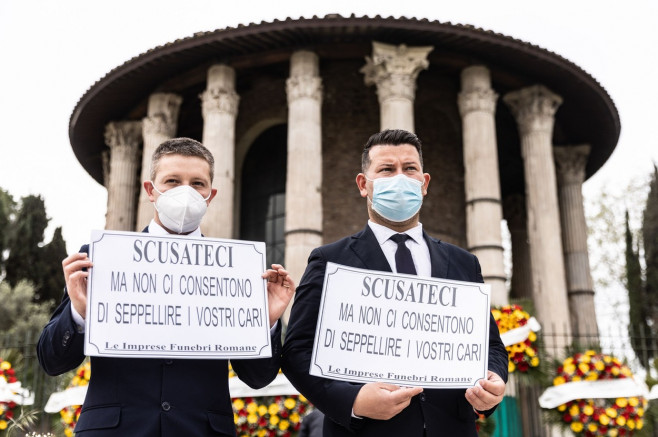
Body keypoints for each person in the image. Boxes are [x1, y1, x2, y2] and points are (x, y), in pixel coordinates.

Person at [37, 137, 295, 436]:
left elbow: (257, 378)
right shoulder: (101, 259)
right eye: (172, 180)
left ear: (210, 195)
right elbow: (52, 362)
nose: (186, 191)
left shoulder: (239, 271)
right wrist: (79, 313)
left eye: (197, 183)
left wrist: (269, 322)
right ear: (151, 190)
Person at [281, 129, 508, 436]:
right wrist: (353, 400)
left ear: (424, 183)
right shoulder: (329, 261)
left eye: (409, 168)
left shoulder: (463, 263)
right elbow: (297, 351)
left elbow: (490, 345)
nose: (400, 178)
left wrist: (492, 378)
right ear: (364, 185)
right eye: (387, 170)